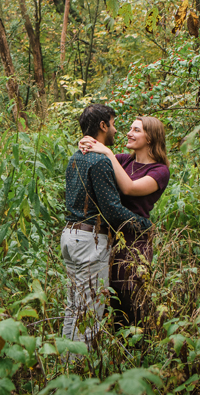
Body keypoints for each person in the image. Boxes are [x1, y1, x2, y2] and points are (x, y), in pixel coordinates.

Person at [61, 104, 153, 347]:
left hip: (70, 237)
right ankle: (79, 376)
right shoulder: (100, 162)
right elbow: (112, 210)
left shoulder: (76, 156)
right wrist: (143, 224)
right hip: (88, 241)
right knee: (90, 311)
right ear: (103, 126)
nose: (115, 130)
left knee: (74, 307)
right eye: (112, 124)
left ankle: (66, 365)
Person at [78, 116, 170, 329]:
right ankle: (115, 354)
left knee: (131, 300)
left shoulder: (159, 170)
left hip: (134, 240)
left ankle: (139, 351)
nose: (129, 133)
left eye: (136, 130)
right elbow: (95, 153)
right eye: (130, 128)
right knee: (109, 300)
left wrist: (107, 153)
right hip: (109, 238)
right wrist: (85, 143)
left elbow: (130, 188)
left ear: (150, 138)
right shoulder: (123, 160)